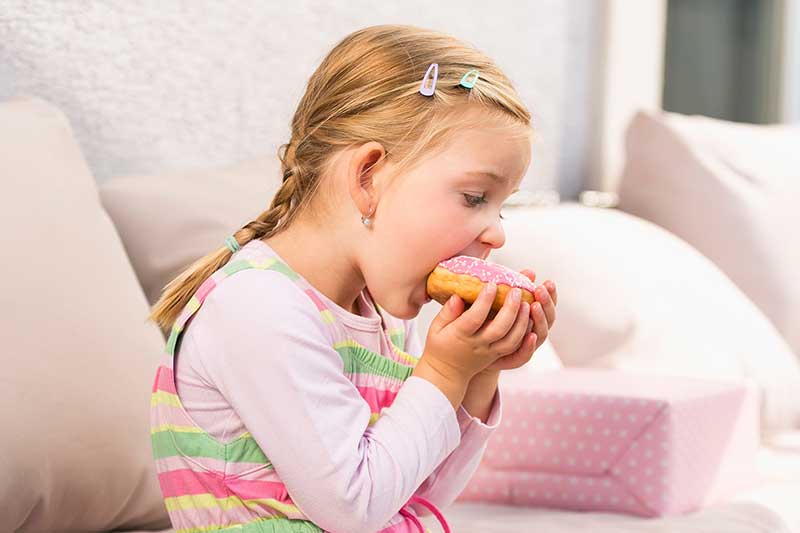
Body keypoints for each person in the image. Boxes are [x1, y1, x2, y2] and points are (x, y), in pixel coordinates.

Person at [147, 23, 557, 533]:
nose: (496, 234)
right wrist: (444, 375)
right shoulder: (258, 306)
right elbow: (353, 508)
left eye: (502, 207)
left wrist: (478, 375)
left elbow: (415, 497)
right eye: (476, 197)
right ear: (367, 176)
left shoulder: (382, 318)